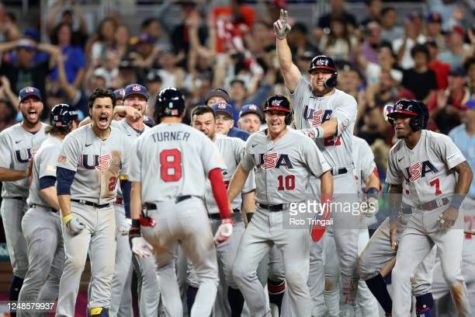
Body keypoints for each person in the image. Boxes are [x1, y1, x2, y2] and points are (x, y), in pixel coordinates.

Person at [274, 9, 360, 315]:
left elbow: (334, 125)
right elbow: (286, 65)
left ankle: (355, 310)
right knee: (312, 252)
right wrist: (281, 38)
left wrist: (310, 130)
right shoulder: (303, 93)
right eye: (314, 71)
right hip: (310, 183)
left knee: (349, 254)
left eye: (324, 72)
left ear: (333, 74)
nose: (318, 76)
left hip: (342, 181)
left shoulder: (345, 99)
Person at [128, 87, 233, 317]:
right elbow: (216, 178)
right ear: (184, 110)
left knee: (165, 271)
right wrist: (226, 216)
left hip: (155, 214)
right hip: (191, 209)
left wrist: (135, 230)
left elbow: (136, 188)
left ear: (156, 110)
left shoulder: (143, 139)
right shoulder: (197, 135)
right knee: (207, 275)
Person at [228, 95, 333, 316]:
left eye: (280, 113)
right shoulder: (255, 141)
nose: (275, 117)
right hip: (262, 214)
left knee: (296, 279)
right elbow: (242, 171)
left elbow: (325, 172)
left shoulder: (301, 141)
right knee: (240, 271)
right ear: (265, 114)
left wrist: (325, 208)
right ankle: (262, 313)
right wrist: (226, 201)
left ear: (287, 116)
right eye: (271, 113)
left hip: (293, 213)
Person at [386, 99, 472, 316]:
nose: (398, 122)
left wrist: (454, 207)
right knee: (400, 274)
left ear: (417, 120)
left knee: (452, 276)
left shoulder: (437, 141)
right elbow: (394, 187)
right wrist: (395, 220)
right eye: (395, 118)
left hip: (445, 210)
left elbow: (465, 171)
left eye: (403, 117)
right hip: (416, 216)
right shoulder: (395, 152)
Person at [55, 88, 130, 317]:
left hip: (107, 209)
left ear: (113, 110)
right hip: (77, 206)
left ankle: (98, 311)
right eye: (98, 107)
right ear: (90, 110)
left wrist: (128, 216)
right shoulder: (75, 138)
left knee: (105, 270)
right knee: (75, 264)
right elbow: (63, 182)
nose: (103, 111)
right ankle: (64, 313)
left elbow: (127, 181)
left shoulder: (122, 140)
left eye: (107, 106)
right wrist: (67, 216)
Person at [189, 105, 255, 316]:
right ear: (192, 125)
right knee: (194, 277)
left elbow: (248, 188)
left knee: (235, 275)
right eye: (198, 124)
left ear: (215, 125)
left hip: (231, 220)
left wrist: (251, 223)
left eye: (208, 123)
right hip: (197, 221)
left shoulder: (234, 145)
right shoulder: (185, 148)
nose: (203, 128)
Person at [18, 104, 76, 316]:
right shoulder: (54, 147)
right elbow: (47, 189)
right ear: (71, 124)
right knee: (38, 275)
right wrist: (69, 212)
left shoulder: (58, 144)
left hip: (54, 216)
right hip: (43, 215)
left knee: (57, 277)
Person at [109, 84, 159, 317]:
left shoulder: (154, 132)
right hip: (119, 208)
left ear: (147, 104)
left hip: (148, 211)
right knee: (119, 273)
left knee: (150, 274)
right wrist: (119, 109)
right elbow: (86, 123)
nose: (136, 103)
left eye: (140, 99)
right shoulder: (113, 127)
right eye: (131, 99)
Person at [0, 86, 47, 308]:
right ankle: (17, 313)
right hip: (15, 202)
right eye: (26, 101)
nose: (31, 105)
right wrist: (26, 173)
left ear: (41, 105)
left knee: (43, 265)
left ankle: (36, 311)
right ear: (19, 106)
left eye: (35, 101)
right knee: (21, 265)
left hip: (44, 205)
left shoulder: (52, 132)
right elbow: (0, 171)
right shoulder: (7, 136)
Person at [432, 99, 475, 315]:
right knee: (455, 256)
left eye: (468, 109)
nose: (464, 112)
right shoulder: (454, 135)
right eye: (463, 109)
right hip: (459, 200)